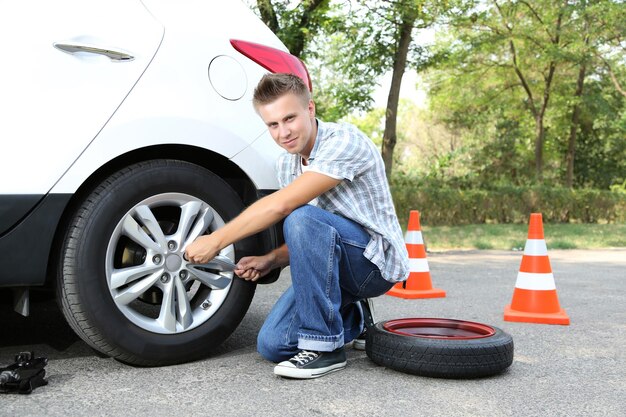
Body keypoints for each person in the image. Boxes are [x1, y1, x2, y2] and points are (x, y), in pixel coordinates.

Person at [185, 73, 409, 379]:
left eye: (289, 118)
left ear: (311, 109)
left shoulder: (344, 142)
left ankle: (326, 350)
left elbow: (285, 208)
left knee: (298, 216)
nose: (283, 132)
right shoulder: (287, 164)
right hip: (336, 264)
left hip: (373, 264)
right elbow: (313, 237)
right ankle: (353, 317)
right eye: (272, 125)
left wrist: (217, 240)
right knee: (273, 344)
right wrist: (270, 260)